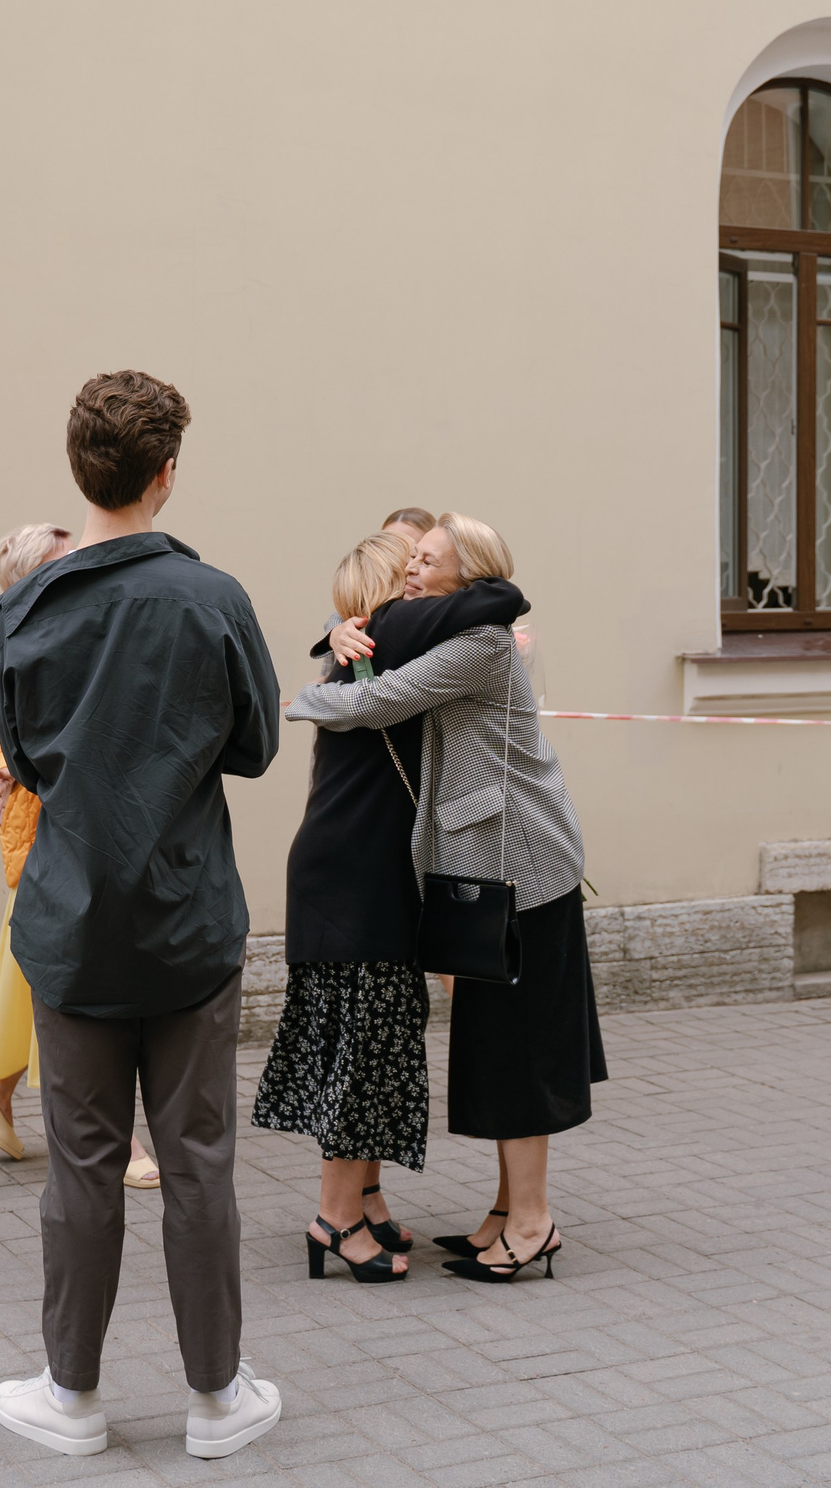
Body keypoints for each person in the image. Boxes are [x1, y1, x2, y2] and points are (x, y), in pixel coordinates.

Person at [0, 372, 285, 1461]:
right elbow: (256, 744)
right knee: (197, 1159)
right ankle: (216, 1399)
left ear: (81, 470)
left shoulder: (23, 609)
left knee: (82, 1165)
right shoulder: (212, 598)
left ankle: (71, 1396)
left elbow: (25, 759)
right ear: (166, 473)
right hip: (186, 915)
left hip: (71, 920)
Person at [289, 512, 598, 1285]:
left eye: (427, 560)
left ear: (466, 575)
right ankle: (507, 1210)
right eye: (410, 558)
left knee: (519, 1042)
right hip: (485, 860)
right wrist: (337, 630)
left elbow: (380, 697)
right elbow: (378, 624)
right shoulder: (451, 628)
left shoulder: (479, 641)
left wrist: (306, 697)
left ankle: (531, 1222)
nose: (413, 570)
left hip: (522, 861)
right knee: (497, 1040)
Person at [253, 530, 524, 1283]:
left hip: (350, 871)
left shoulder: (365, 651)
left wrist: (335, 631)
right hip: (355, 878)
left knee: (373, 1037)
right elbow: (501, 596)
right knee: (365, 1048)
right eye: (407, 571)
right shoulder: (389, 634)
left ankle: (363, 1201)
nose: (418, 580)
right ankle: (334, 1218)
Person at [0, 520, 160, 1189]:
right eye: (67, 560)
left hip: (79, 829)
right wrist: (9, 765)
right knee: (64, 974)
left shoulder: (84, 628)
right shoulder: (14, 636)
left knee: (31, 966)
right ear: (36, 575)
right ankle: (115, 1137)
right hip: (49, 834)